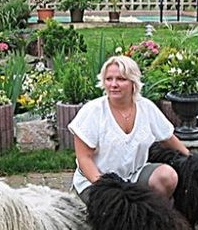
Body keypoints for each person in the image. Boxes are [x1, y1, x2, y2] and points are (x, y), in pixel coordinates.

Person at [68, 55, 190, 203]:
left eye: (121, 79)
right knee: (115, 208)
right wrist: (106, 187)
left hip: (134, 176)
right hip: (97, 181)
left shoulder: (146, 107)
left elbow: (168, 138)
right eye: (109, 79)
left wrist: (192, 161)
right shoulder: (92, 111)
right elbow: (84, 158)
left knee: (167, 176)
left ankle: (152, 214)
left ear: (133, 82)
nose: (113, 84)